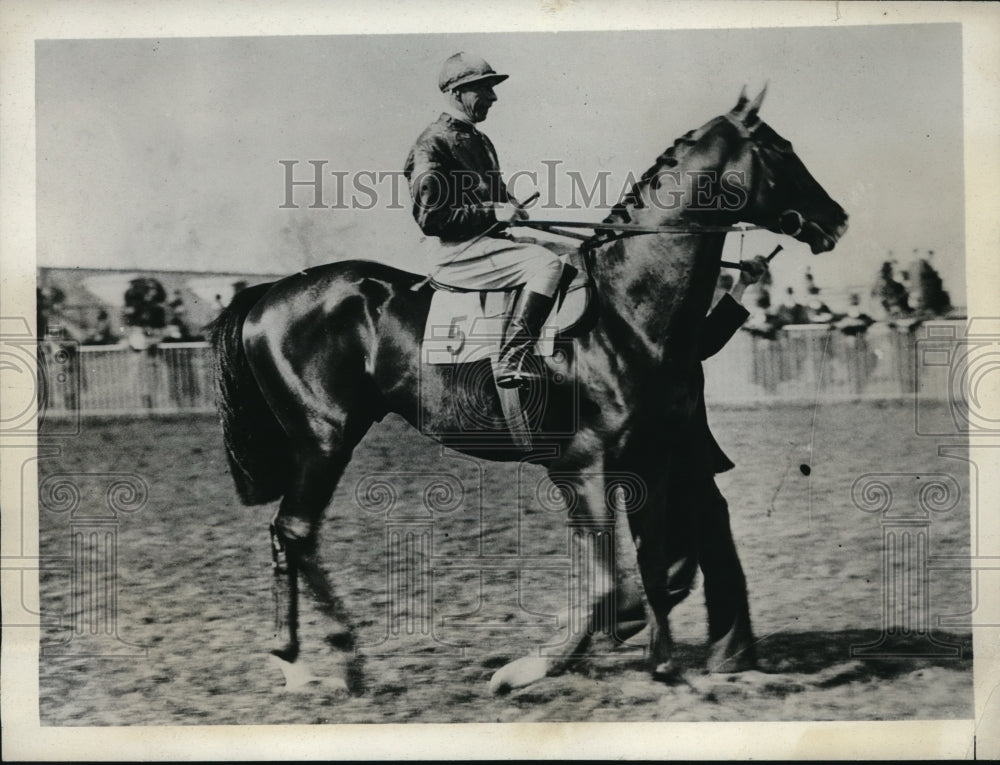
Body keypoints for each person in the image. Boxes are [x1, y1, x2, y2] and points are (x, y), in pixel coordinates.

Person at [634, 255, 769, 674]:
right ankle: (668, 647)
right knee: (675, 562)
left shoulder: (662, 316)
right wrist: (741, 287)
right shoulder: (651, 320)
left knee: (701, 551)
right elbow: (702, 339)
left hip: (685, 454)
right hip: (659, 456)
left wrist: (742, 286)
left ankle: (728, 651)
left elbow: (704, 339)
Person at [403, 52, 565, 388]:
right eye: (483, 89)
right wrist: (493, 212)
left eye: (491, 88)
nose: (492, 97)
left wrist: (512, 207)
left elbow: (493, 194)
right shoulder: (430, 144)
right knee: (546, 264)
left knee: (568, 253)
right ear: (456, 93)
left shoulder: (479, 140)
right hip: (455, 253)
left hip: (485, 244)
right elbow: (431, 219)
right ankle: (511, 358)